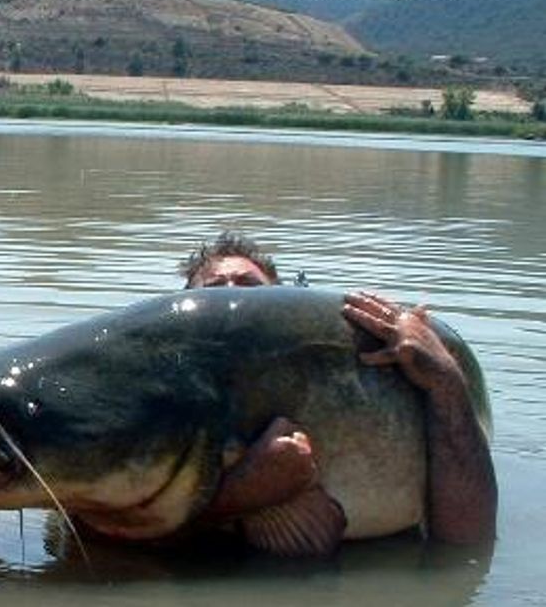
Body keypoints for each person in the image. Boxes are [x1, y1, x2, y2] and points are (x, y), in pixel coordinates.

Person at [182, 231, 497, 547]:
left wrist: (445, 377)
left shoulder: (372, 370)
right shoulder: (165, 396)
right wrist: (239, 496)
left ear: (282, 300)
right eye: (213, 290)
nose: (231, 297)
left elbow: (467, 544)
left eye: (249, 285)